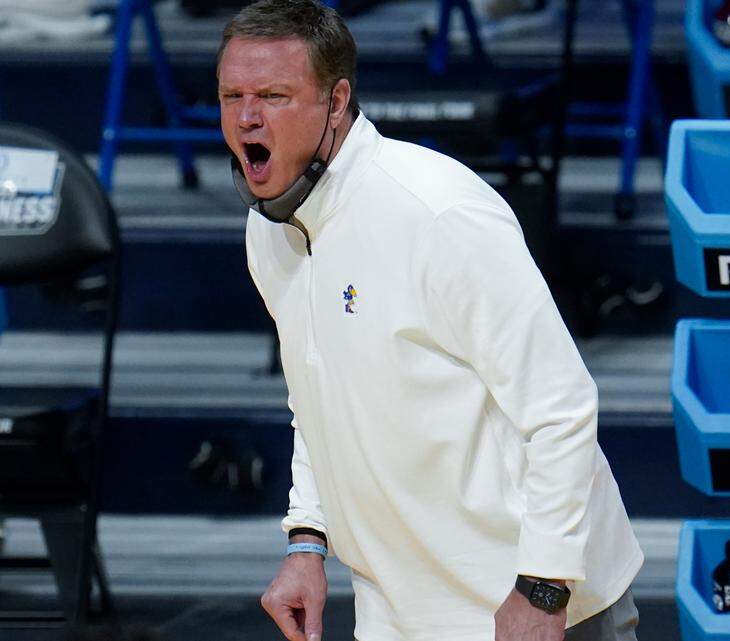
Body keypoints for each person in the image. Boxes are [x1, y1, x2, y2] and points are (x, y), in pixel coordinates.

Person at [217, 1, 643, 640]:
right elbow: (319, 394)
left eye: (274, 95)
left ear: (337, 103)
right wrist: (307, 541)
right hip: (397, 611)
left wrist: (544, 588)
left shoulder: (438, 212)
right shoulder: (271, 229)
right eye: (233, 96)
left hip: (532, 609)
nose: (247, 117)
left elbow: (563, 408)